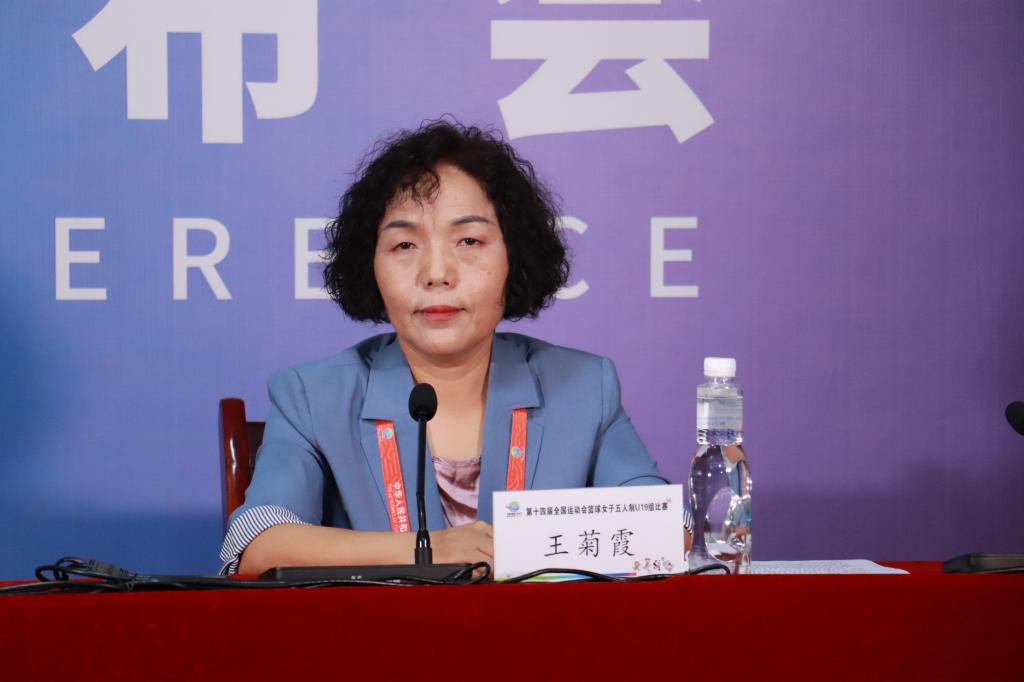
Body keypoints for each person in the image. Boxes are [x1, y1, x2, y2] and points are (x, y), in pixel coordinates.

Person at [220, 120, 684, 575]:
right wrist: (428, 552)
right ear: (371, 265)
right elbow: (257, 545)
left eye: (469, 240)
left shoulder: (583, 387)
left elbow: (667, 529)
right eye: (405, 245)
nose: (437, 273)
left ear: (513, 256)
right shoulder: (311, 396)